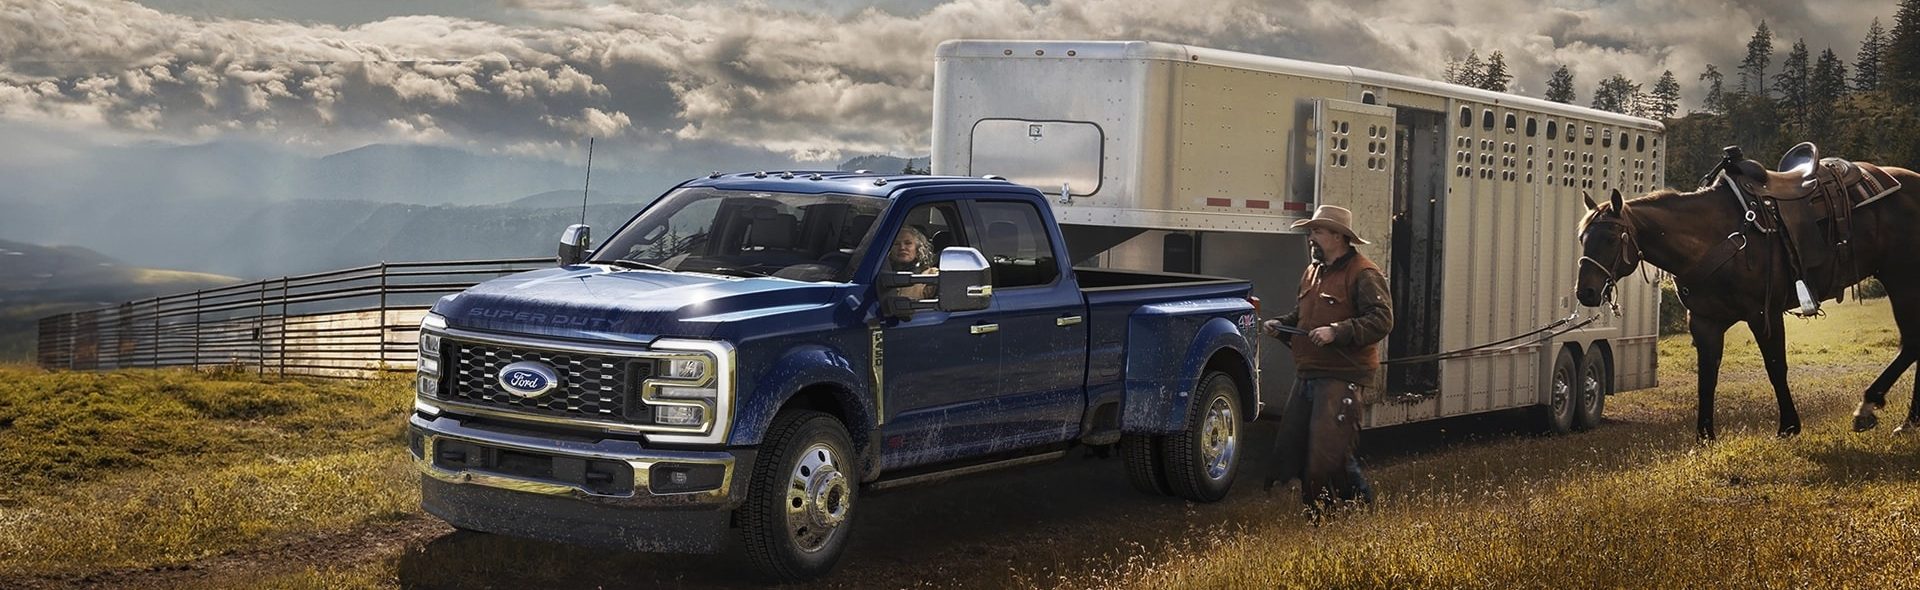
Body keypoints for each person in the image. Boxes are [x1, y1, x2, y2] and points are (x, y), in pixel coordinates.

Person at [1262, 205, 1394, 515]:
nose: (1311, 237)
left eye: (1317, 231)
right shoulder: (1313, 271)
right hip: (1308, 373)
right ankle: (1327, 517)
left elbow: (1382, 319)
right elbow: (1304, 317)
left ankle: (1354, 513)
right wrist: (1280, 324)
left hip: (1342, 375)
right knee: (1300, 449)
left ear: (1338, 236)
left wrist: (1338, 332)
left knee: (1329, 455)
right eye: (1311, 231)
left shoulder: (1364, 273)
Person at [887, 226, 938, 300]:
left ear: (918, 249)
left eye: (908, 243)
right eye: (896, 244)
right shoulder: (877, 275)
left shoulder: (932, 275)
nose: (902, 247)